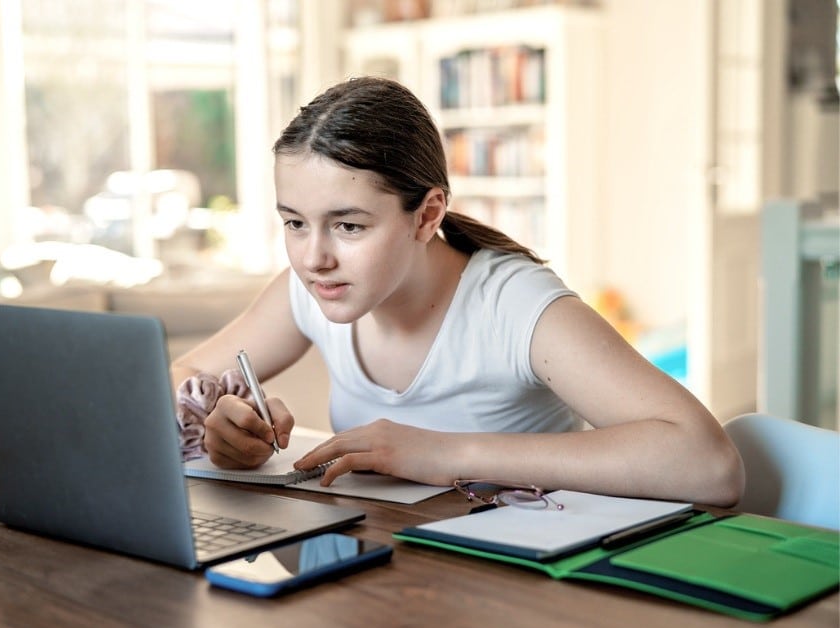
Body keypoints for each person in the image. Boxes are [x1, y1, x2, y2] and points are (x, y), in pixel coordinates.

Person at [171, 76, 743, 507]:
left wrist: (447, 453)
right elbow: (175, 379)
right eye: (295, 222)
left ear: (427, 216)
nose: (313, 257)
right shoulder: (310, 289)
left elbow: (709, 464)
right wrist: (222, 422)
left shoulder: (515, 306)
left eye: (348, 225)